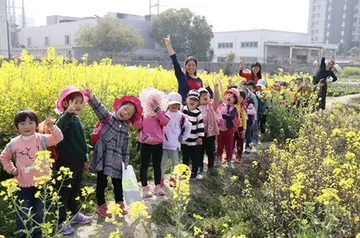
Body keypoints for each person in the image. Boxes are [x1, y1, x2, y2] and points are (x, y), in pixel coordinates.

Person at [0, 109, 63, 238]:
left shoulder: (41, 139)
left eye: (30, 122)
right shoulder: (14, 143)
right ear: (17, 127)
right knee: (23, 214)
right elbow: (4, 157)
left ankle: (37, 235)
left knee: (39, 213)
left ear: (37, 124)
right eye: (22, 123)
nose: (27, 126)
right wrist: (11, 169)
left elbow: (58, 138)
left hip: (42, 183)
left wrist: (52, 126)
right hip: (23, 185)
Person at [85, 86, 142, 218]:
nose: (125, 113)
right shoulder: (107, 117)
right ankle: (101, 205)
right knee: (102, 182)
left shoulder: (126, 127)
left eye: (129, 114)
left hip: (117, 157)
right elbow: (99, 108)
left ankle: (119, 203)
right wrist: (91, 97)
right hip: (103, 154)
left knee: (117, 181)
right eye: (125, 109)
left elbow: (125, 145)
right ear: (119, 106)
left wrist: (126, 158)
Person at [55, 86, 92, 235]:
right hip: (65, 162)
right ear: (65, 103)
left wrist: (85, 159)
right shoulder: (65, 118)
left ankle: (75, 214)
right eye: (74, 102)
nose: (78, 105)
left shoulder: (76, 120)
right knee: (63, 192)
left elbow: (82, 142)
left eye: (80, 102)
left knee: (75, 190)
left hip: (77, 161)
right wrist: (67, 115)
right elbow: (58, 129)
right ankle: (60, 222)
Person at [137, 88, 170, 197]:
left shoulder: (160, 114)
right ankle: (145, 187)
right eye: (151, 101)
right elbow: (136, 125)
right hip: (145, 143)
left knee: (157, 166)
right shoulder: (144, 114)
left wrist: (157, 110)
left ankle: (157, 186)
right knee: (144, 166)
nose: (152, 104)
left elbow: (165, 122)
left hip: (158, 144)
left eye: (155, 102)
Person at [164, 34, 213, 103]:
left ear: (196, 67)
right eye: (189, 65)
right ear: (185, 66)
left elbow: (205, 97)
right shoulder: (181, 76)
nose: (191, 67)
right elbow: (175, 61)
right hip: (183, 108)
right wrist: (169, 45)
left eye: (193, 65)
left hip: (196, 110)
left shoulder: (199, 81)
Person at [161, 92, 191, 187]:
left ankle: (173, 178)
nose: (174, 106)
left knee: (175, 163)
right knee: (162, 163)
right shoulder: (163, 114)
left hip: (175, 145)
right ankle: (160, 178)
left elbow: (189, 126)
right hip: (163, 144)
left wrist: (184, 137)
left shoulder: (181, 116)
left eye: (177, 104)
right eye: (172, 104)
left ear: (180, 105)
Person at [198, 79, 221, 172]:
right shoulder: (196, 108)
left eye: (206, 94)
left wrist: (216, 88)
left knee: (210, 151)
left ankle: (211, 167)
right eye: (201, 95)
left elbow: (216, 99)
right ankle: (200, 167)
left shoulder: (211, 106)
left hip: (210, 133)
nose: (204, 96)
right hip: (200, 134)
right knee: (199, 151)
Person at [181, 90, 205, 180]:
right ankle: (184, 172)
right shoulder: (183, 110)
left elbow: (201, 126)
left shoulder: (198, 113)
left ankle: (194, 172)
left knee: (195, 158)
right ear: (187, 100)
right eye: (191, 99)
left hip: (195, 141)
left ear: (198, 103)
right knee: (185, 157)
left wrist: (200, 137)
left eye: (195, 100)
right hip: (184, 140)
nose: (192, 101)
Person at [216, 87, 240, 167]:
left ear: (235, 100)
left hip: (229, 129)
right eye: (228, 94)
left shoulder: (234, 108)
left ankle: (228, 160)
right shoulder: (219, 105)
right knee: (219, 145)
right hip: (219, 129)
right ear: (225, 96)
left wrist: (222, 115)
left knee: (229, 145)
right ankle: (218, 158)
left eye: (233, 96)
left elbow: (231, 117)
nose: (229, 96)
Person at [233, 90, 247, 162]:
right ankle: (228, 156)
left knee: (240, 143)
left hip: (240, 127)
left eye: (241, 98)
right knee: (231, 143)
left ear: (243, 99)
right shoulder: (232, 105)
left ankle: (239, 156)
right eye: (238, 97)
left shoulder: (242, 107)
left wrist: (244, 129)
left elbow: (244, 119)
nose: (239, 99)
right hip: (232, 128)